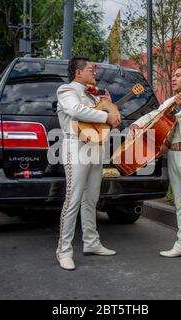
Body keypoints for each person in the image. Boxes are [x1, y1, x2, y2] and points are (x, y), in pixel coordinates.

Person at [128, 65, 181, 272]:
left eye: (178, 75)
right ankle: (180, 244)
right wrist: (136, 125)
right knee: (180, 205)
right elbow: (154, 115)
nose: (174, 79)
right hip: (173, 155)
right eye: (174, 75)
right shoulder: (170, 100)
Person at [55, 56, 121, 271]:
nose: (95, 72)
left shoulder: (92, 95)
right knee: (73, 199)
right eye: (91, 69)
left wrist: (109, 106)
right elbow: (75, 111)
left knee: (91, 199)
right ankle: (63, 250)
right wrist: (105, 115)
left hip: (95, 148)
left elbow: (105, 118)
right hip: (76, 147)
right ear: (78, 72)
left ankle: (91, 243)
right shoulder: (67, 90)